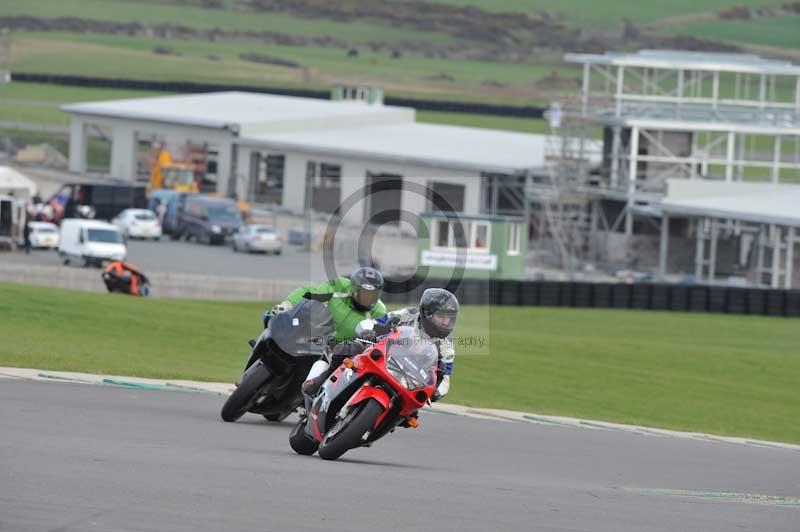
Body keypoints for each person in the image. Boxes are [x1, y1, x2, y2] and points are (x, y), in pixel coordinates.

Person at [303, 287, 460, 404]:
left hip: (410, 376)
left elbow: (445, 376)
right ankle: (321, 381)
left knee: (412, 411)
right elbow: (375, 323)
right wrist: (367, 332)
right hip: (385, 354)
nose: (445, 322)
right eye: (441, 316)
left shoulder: (447, 345)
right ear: (427, 312)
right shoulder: (408, 315)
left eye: (449, 318)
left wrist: (436, 392)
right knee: (348, 348)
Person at [265, 266, 387, 386]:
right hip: (314, 333)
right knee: (277, 322)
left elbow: (378, 339)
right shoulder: (339, 285)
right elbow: (311, 292)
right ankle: (266, 346)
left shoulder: (380, 312)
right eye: (363, 293)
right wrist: (288, 304)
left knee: (318, 381)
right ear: (353, 288)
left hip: (336, 353)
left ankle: (310, 396)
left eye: (371, 295)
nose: (366, 299)